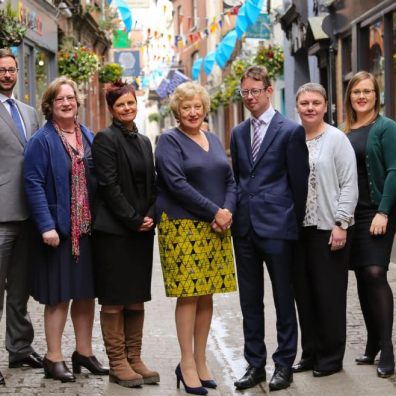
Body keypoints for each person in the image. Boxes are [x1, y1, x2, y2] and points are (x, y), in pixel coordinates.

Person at [23, 77, 108, 383]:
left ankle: (83, 353)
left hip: (85, 231)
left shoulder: (86, 134)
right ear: (50, 105)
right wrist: (46, 225)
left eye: (71, 98)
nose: (67, 103)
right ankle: (53, 357)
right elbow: (32, 184)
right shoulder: (41, 140)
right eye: (60, 99)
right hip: (57, 234)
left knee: (85, 295)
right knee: (58, 297)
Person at [231, 65, 309, 391]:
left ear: (268, 89)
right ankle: (255, 365)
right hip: (245, 229)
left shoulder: (290, 131)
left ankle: (284, 364)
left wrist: (291, 222)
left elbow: (299, 183)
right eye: (245, 92)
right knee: (250, 301)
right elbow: (239, 178)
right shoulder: (237, 133)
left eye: (255, 91)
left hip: (278, 228)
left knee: (282, 298)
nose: (250, 97)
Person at [155, 82, 237, 396]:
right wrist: (215, 211)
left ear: (204, 108)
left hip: (216, 226)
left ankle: (202, 361)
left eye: (197, 106)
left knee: (207, 295)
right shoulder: (168, 140)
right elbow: (175, 184)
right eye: (186, 107)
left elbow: (230, 179)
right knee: (188, 295)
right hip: (182, 226)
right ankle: (186, 363)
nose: (192, 112)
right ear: (177, 110)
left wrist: (227, 209)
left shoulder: (213, 138)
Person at [91, 81, 159, 388]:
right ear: (112, 109)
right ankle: (118, 363)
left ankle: (135, 358)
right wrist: (133, 220)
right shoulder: (105, 140)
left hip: (141, 231)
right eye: (121, 105)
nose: (127, 108)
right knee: (116, 299)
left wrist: (150, 216)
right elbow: (109, 186)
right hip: (114, 233)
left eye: (130, 103)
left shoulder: (144, 140)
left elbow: (153, 183)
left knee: (136, 299)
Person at [292, 83, 358, 377]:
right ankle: (311, 353)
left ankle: (330, 358)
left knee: (329, 295)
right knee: (304, 295)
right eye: (305, 102)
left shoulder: (337, 139)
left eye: (315, 102)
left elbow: (349, 184)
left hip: (329, 228)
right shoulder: (292, 139)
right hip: (298, 231)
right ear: (297, 106)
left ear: (326, 105)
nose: (310, 107)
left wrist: (341, 222)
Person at [344, 71, 396, 378]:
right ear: (350, 97)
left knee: (376, 272)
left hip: (378, 212)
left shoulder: (386, 127)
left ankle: (388, 348)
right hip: (353, 215)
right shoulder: (346, 131)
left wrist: (384, 212)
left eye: (367, 91)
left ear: (376, 95)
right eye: (356, 92)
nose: (362, 96)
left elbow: (394, 171)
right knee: (362, 275)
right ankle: (373, 342)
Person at [0, 48, 42, 386]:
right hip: (0, 215)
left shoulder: (29, 112)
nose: (7, 75)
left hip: (28, 214)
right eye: (2, 70)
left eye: (11, 69)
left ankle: (19, 348)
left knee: (19, 290)